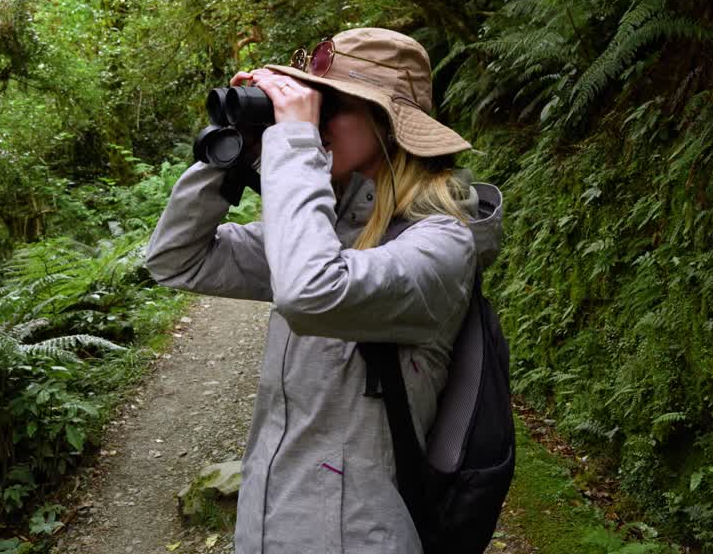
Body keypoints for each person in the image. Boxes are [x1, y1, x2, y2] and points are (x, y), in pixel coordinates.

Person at [145, 27, 503, 553]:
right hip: (269, 526)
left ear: (387, 123)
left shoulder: (442, 245)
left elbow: (310, 292)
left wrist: (294, 143)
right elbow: (177, 259)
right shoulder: (329, 230)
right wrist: (231, 157)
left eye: (328, 104)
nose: (313, 117)